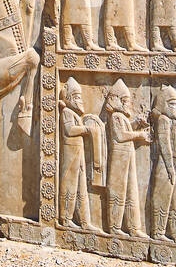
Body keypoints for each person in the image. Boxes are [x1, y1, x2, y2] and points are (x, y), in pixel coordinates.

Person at [104, 79, 150, 238]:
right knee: (118, 191)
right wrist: (139, 134)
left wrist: (137, 122)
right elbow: (121, 135)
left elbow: (126, 128)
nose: (129, 104)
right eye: (126, 101)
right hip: (120, 156)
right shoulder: (116, 116)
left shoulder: (121, 117)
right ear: (119, 101)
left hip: (127, 155)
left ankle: (133, 227)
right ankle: (115, 226)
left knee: (131, 191)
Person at [59, 78, 104, 232]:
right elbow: (69, 130)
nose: (80, 100)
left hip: (78, 153)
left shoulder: (75, 114)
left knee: (81, 187)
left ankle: (84, 222)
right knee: (70, 185)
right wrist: (87, 130)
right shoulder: (66, 112)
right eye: (77, 97)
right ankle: (66, 218)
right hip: (70, 153)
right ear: (69, 98)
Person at [149, 85, 176, 244]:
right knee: (162, 199)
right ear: (164, 104)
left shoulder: (174, 122)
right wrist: (170, 169)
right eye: (172, 104)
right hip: (164, 166)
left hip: (172, 167)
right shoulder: (163, 120)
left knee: (175, 203)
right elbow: (164, 145)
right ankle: (158, 232)